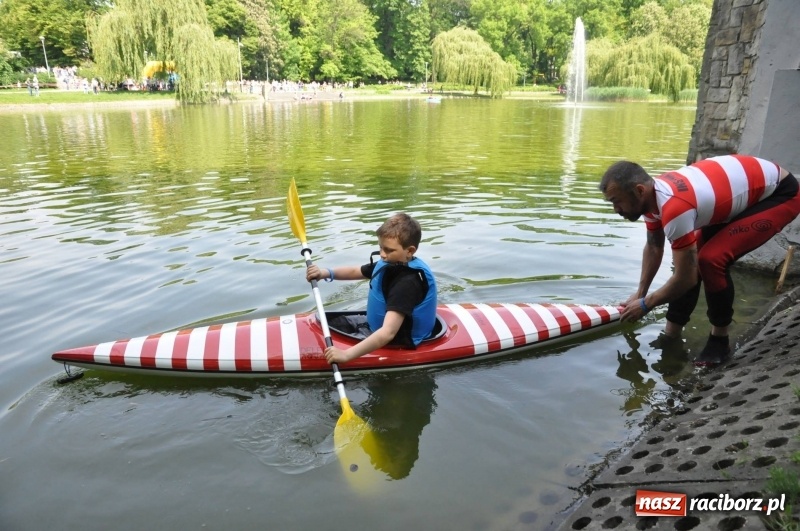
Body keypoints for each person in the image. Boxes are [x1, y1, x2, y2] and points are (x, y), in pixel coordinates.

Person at [600, 155, 800, 367]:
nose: (616, 209)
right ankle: (671, 336)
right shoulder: (649, 196)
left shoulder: (674, 207)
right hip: (742, 192)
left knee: (710, 260)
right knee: (689, 263)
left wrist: (645, 304)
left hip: (780, 194)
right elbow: (654, 246)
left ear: (639, 190)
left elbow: (685, 279)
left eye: (616, 201)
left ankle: (720, 341)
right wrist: (640, 293)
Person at [305, 213, 437, 365]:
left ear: (410, 251)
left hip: (395, 341)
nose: (382, 254)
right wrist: (325, 273)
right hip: (372, 326)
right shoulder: (391, 262)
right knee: (324, 322)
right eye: (380, 247)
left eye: (388, 250)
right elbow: (356, 271)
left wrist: (346, 355)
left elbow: (388, 333)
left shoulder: (407, 283)